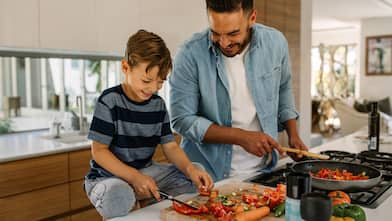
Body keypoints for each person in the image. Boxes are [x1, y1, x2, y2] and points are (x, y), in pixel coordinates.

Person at [169, 0, 308, 181]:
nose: (224, 43)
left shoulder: (275, 43)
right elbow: (181, 120)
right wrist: (241, 137)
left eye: (233, 33)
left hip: (262, 171)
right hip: (206, 176)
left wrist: (293, 134)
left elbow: (283, 88)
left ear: (252, 18)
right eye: (215, 33)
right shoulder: (189, 54)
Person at [84, 30, 213, 220]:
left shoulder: (158, 105)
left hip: (146, 171)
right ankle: (138, 200)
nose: (153, 88)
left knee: (194, 172)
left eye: (160, 82)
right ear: (126, 67)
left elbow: (170, 146)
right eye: (146, 80)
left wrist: (190, 169)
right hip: (108, 177)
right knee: (118, 195)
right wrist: (134, 177)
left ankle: (142, 201)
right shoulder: (109, 100)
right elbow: (99, 151)